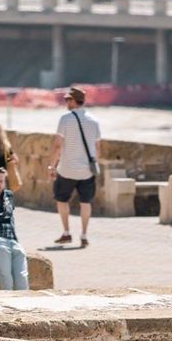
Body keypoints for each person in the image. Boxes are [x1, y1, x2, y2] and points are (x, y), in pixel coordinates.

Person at [45, 86, 100, 248]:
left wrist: (51, 166)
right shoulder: (94, 121)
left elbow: (57, 146)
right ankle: (83, 235)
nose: (66, 102)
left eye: (68, 99)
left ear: (74, 101)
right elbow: (97, 148)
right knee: (86, 202)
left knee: (61, 199)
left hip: (67, 169)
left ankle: (67, 232)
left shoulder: (65, 119)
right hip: (86, 171)